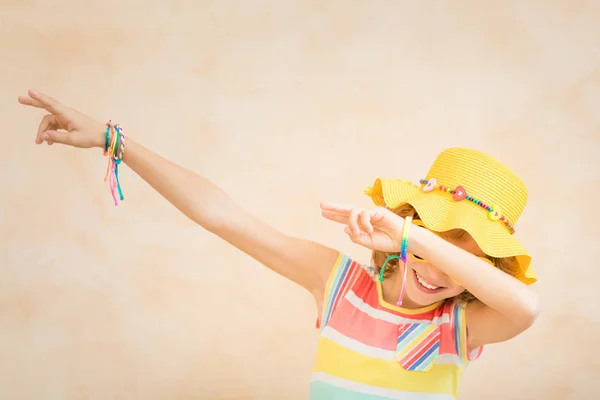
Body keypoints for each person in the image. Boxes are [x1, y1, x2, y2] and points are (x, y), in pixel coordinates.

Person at [18, 89, 539, 399]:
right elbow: (222, 216)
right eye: (430, 240)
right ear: (409, 222)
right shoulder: (338, 282)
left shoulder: (459, 324)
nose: (441, 273)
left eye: (464, 262)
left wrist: (411, 235)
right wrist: (116, 142)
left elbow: (525, 308)